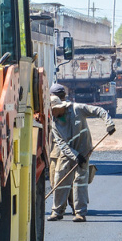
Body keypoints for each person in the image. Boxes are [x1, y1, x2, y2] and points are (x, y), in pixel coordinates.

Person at [48, 95, 116, 222]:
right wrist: (75, 155)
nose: (52, 113)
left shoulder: (77, 109)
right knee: (60, 179)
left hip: (84, 151)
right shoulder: (55, 124)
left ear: (59, 107)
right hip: (68, 153)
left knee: (80, 181)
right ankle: (57, 211)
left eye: (53, 110)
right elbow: (62, 144)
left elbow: (99, 111)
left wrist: (109, 124)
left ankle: (80, 213)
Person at [48, 84, 74, 215]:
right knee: (61, 180)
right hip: (59, 151)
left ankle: (65, 207)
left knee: (60, 180)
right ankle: (66, 207)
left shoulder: (66, 110)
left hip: (62, 150)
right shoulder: (57, 108)